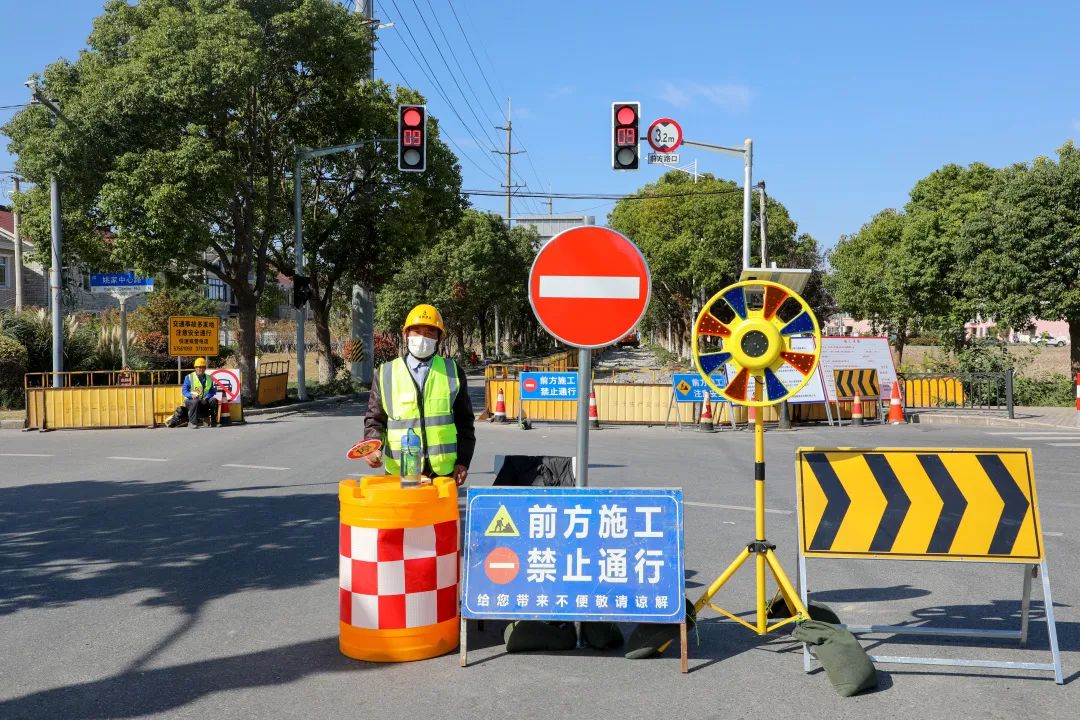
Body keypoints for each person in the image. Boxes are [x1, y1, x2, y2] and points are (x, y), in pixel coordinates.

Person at [363, 304, 475, 486]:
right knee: (403, 515)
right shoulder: (385, 373)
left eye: (430, 332)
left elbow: (465, 422)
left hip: (442, 473)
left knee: (442, 516)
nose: (422, 337)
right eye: (416, 331)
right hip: (400, 472)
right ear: (405, 335)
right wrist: (372, 447)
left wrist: (463, 461)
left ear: (439, 337)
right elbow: (375, 419)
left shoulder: (453, 371)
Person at [181, 358, 218, 428]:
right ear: (195, 368)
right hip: (191, 401)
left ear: (205, 368)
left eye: (203, 367)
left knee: (214, 400)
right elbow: (184, 391)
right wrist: (191, 395)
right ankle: (192, 423)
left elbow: (212, 391)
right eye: (199, 367)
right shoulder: (189, 377)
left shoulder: (209, 378)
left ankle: (213, 422)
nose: (201, 369)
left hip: (204, 400)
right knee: (195, 401)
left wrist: (206, 398)